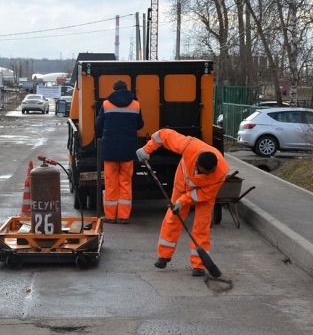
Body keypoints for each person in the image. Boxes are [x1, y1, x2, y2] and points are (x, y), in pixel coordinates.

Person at [136, 129, 229, 276]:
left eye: (208, 173)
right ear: (197, 164)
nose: (205, 175)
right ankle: (164, 256)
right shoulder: (188, 146)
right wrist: (147, 149)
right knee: (173, 218)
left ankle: (199, 265)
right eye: (204, 172)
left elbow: (203, 194)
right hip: (182, 185)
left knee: (202, 225)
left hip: (204, 195)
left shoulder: (220, 173)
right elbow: (164, 135)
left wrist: (183, 201)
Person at [95, 80, 144, 224]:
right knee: (125, 182)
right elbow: (140, 124)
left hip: (110, 149)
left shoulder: (106, 104)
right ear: (127, 89)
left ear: (114, 89)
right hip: (128, 150)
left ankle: (110, 216)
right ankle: (124, 216)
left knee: (111, 183)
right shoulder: (136, 104)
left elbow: (99, 124)